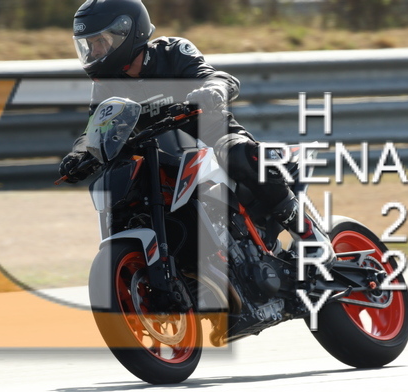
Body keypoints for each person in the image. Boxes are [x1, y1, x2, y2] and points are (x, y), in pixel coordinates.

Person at [59, 0, 334, 262]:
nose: (95, 52)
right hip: (162, 157)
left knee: (238, 154)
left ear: (128, 33)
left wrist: (212, 90)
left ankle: (309, 235)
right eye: (89, 45)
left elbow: (216, 77)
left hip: (212, 137)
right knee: (123, 184)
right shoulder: (106, 85)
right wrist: (79, 154)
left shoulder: (172, 52)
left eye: (101, 42)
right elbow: (95, 127)